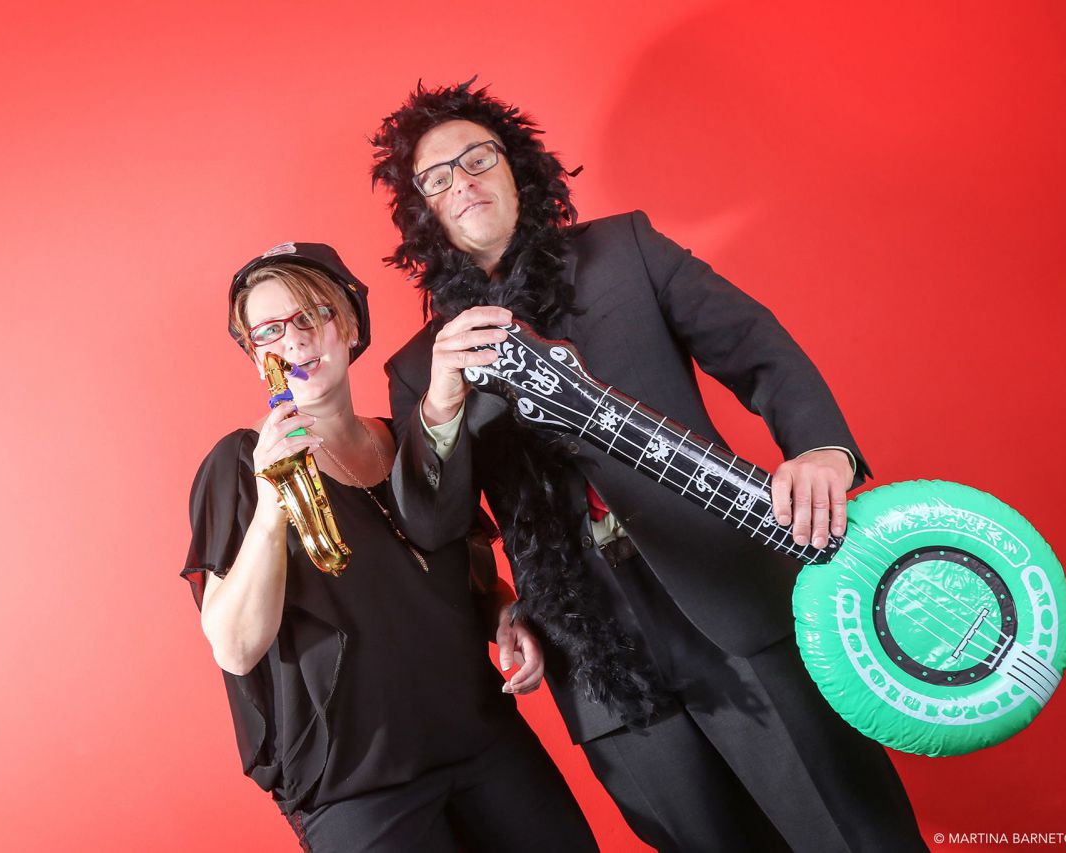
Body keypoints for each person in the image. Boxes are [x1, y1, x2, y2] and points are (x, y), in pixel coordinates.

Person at [371, 80, 927, 851]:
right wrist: (440, 404)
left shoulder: (623, 252)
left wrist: (822, 452)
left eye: (477, 158)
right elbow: (436, 525)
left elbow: (757, 346)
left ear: (516, 166)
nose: (461, 182)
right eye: (436, 178)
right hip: (596, 658)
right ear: (422, 212)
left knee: (851, 832)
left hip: (729, 595)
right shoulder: (419, 369)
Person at [180, 242, 598, 852]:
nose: (293, 339)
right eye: (268, 330)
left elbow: (467, 577)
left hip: (484, 743)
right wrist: (273, 504)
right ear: (253, 354)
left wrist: (504, 613)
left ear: (349, 326)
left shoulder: (409, 440)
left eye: (311, 314)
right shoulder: (239, 464)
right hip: (359, 787)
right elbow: (236, 648)